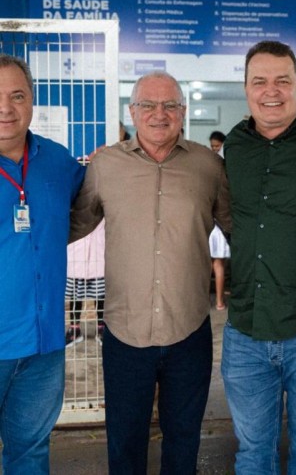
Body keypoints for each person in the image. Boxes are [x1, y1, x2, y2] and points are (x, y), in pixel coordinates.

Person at [70, 71, 231, 474]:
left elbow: (239, 229)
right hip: (125, 333)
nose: (159, 114)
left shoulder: (208, 166)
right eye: (148, 105)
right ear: (132, 111)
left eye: (170, 105)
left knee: (184, 441)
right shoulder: (106, 165)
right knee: (125, 443)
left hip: (189, 330)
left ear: (183, 111)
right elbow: (74, 224)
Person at [221, 40, 296, 474]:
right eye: (259, 81)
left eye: (282, 81)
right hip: (245, 331)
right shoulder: (235, 144)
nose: (270, 91)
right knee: (253, 451)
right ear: (246, 88)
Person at [0, 54, 85, 473]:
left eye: (17, 96)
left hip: (44, 345)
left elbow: (90, 200)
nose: (6, 108)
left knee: (30, 453)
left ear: (32, 100)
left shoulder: (56, 160)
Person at [65, 218, 105, 347]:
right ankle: (74, 329)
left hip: (98, 254)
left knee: (101, 295)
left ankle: (101, 328)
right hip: (77, 254)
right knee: (76, 295)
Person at [208, 130, 230, 310]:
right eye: (212, 146)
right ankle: (219, 302)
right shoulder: (224, 166)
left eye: (217, 146)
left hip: (216, 225)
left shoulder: (215, 166)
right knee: (217, 264)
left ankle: (214, 300)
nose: (214, 149)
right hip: (218, 225)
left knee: (213, 264)